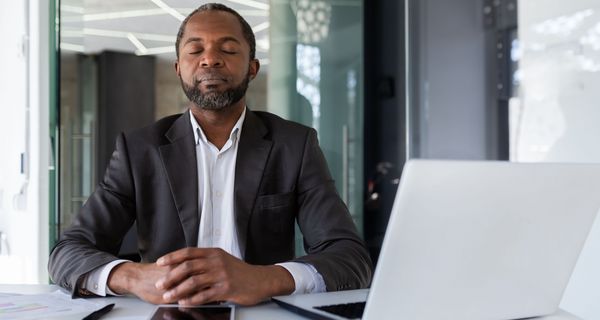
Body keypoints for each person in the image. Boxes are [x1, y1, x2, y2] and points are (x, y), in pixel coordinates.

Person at [48, 3, 372, 306]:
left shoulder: (294, 145)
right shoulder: (139, 150)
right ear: (178, 68)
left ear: (253, 68)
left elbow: (349, 259)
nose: (210, 59)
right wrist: (133, 277)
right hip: (170, 310)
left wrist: (265, 278)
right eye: (195, 49)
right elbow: (67, 253)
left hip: (261, 312)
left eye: (228, 49)